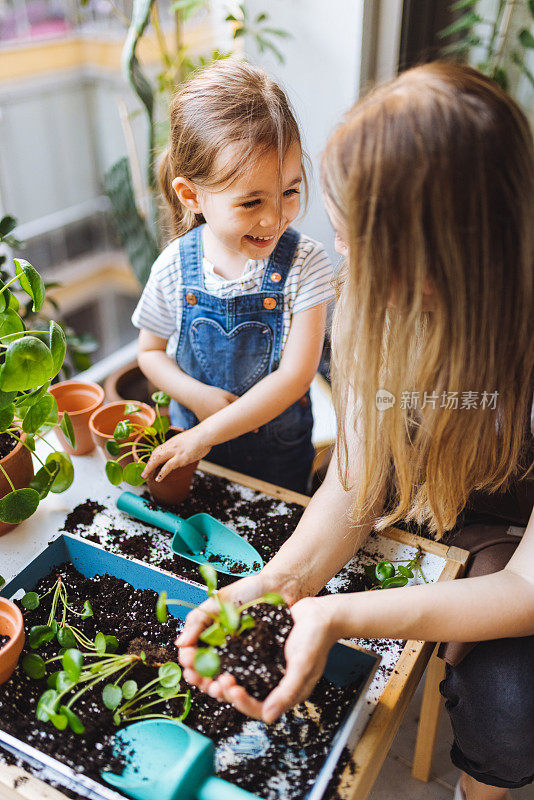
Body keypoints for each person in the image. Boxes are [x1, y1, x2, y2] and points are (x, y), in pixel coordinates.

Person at [177, 63, 534, 800]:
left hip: (509, 520)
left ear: (443, 262)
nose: (342, 255)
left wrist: (338, 615)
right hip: (420, 485)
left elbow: (528, 586)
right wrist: (282, 584)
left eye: (357, 240)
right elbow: (360, 477)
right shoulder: (381, 302)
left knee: (512, 710)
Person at [132, 60, 334, 495]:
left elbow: (296, 378)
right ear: (192, 195)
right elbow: (149, 353)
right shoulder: (174, 266)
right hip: (196, 457)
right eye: (250, 202)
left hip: (278, 461)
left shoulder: (307, 265)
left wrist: (207, 431)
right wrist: (197, 397)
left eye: (290, 191)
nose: (275, 217)